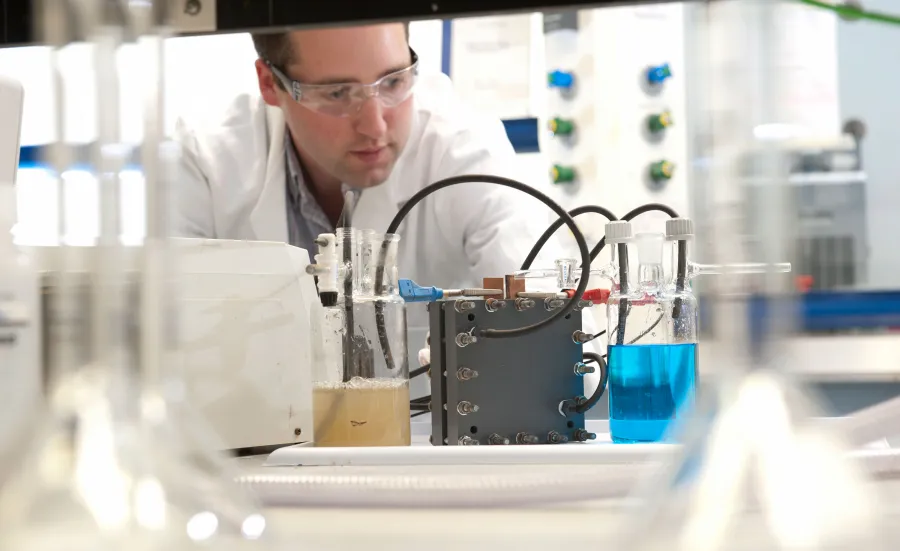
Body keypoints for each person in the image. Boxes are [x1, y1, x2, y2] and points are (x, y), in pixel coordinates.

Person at [171, 22, 555, 295]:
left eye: (393, 81)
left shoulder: (465, 152)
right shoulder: (206, 162)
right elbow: (166, 354)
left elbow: (558, 346)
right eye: (338, 93)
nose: (374, 126)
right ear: (271, 84)